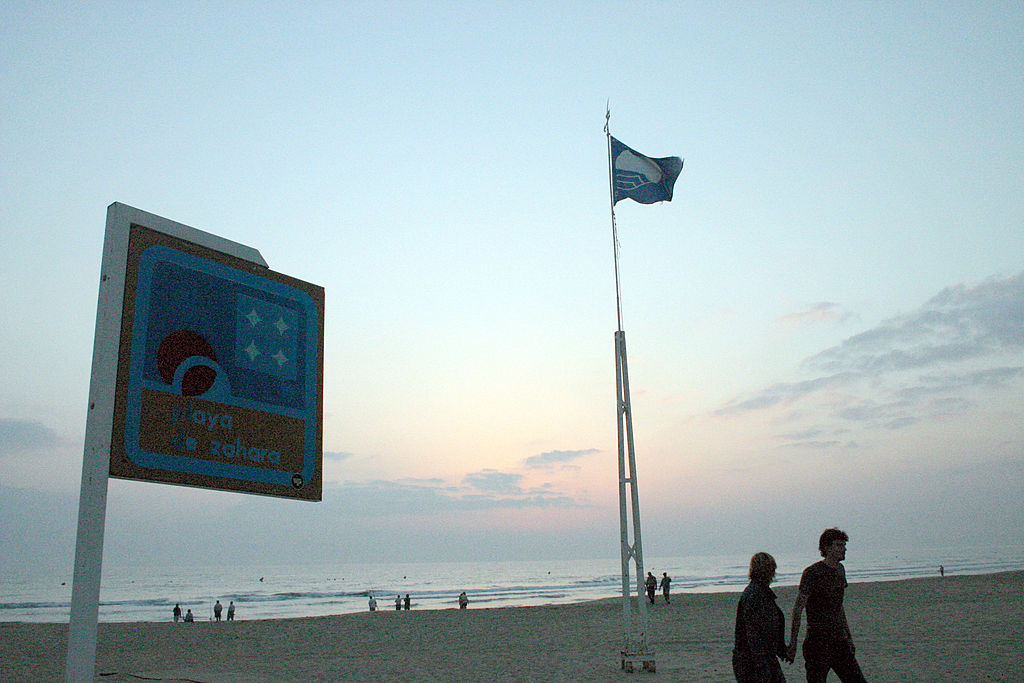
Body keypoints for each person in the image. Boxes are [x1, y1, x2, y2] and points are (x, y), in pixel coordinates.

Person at [788, 528, 867, 682]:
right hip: (817, 642)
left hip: (839, 641)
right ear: (827, 548)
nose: (843, 549)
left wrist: (848, 637)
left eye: (844, 545)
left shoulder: (840, 570)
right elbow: (798, 608)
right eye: (839, 545)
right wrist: (793, 643)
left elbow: (839, 607)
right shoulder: (812, 573)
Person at [733, 552, 789, 683]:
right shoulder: (755, 594)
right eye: (770, 568)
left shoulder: (762, 593)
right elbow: (752, 632)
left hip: (763, 656)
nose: (773, 572)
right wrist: (761, 663)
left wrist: (780, 650)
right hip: (752, 660)